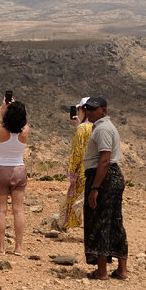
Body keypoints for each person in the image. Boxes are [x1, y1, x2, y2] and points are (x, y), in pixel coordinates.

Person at [81, 96, 128, 280]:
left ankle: (101, 271)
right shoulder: (104, 127)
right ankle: (121, 269)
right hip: (110, 177)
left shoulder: (102, 129)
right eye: (87, 109)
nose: (89, 112)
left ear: (103, 110)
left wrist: (95, 188)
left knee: (99, 220)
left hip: (104, 178)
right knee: (114, 220)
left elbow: (105, 159)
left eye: (93, 109)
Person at [0, 98, 29, 254]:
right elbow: (23, 123)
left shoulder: (0, 130)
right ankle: (18, 247)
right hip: (19, 169)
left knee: (1, 210)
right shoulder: (25, 131)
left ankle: (1, 248)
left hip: (1, 169)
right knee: (18, 210)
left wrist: (2, 107)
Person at [52, 97, 93, 232]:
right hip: (95, 168)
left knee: (79, 201)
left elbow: (77, 152)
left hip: (83, 170)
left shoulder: (82, 129)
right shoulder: (97, 126)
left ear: (82, 110)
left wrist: (71, 172)